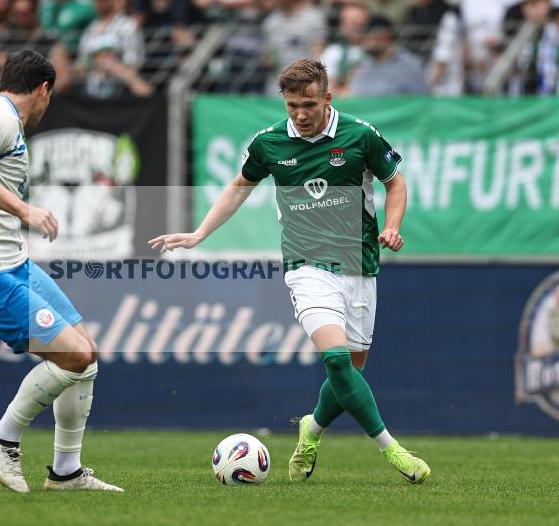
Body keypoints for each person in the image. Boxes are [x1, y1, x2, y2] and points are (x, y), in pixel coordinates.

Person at [149, 58, 431, 485]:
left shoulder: (361, 135)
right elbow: (238, 187)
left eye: (309, 105)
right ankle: (394, 451)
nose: (300, 114)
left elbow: (396, 182)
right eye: (292, 105)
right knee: (336, 361)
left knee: (350, 370)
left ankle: (311, 430)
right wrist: (199, 233)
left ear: (327, 99)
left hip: (359, 265)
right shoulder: (269, 143)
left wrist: (391, 227)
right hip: (306, 265)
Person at [0, 50, 123, 494]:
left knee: (85, 352)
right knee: (74, 356)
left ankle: (65, 472)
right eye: (50, 97)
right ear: (43, 90)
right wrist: (25, 209)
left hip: (11, 263)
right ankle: (3, 438)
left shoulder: (1, 122)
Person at [261, 0, 327, 95]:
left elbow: (319, 53)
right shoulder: (270, 22)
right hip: (275, 88)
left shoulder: (314, 17)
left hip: (306, 87)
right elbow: (268, 56)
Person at [350, 15, 426, 96]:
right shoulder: (363, 65)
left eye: (367, 34)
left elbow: (419, 101)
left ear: (384, 36)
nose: (362, 39)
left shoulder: (410, 66)